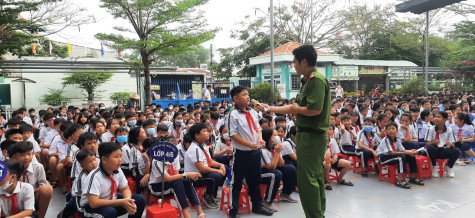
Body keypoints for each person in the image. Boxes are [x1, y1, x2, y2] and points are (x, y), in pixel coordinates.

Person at [259, 45, 332, 218]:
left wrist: (295, 109)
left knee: (307, 180)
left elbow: (314, 110)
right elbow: (297, 107)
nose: (294, 66)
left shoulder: (316, 80)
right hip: (308, 135)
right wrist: (271, 108)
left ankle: (315, 215)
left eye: (295, 62)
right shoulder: (308, 79)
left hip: (312, 135)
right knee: (314, 177)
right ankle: (318, 214)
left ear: (304, 61)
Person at [227, 86, 274, 217]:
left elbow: (258, 128)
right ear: (236, 98)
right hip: (241, 154)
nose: (248, 97)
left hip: (255, 152)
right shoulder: (233, 115)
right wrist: (250, 145)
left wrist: (259, 141)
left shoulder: (252, 112)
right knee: (236, 183)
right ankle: (233, 210)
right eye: (244, 94)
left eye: (248, 94)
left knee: (255, 181)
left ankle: (257, 206)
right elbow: (233, 135)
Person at [80, 142, 145, 218]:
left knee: (139, 199)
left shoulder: (117, 169)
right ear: (104, 159)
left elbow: (125, 188)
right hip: (91, 208)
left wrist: (127, 201)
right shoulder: (94, 176)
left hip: (111, 200)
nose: (120, 160)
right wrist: (122, 202)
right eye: (116, 157)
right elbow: (94, 203)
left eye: (121, 156)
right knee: (110, 212)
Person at [148, 136, 206, 218]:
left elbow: (176, 175)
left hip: (170, 183)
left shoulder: (175, 156)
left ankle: (200, 212)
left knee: (186, 180)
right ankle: (186, 215)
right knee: (178, 183)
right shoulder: (157, 160)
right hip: (157, 187)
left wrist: (187, 176)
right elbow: (168, 178)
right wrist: (188, 174)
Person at [9, 141, 52, 218]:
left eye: (29, 154)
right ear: (14, 157)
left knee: (47, 189)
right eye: (22, 155)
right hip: (14, 196)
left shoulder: (38, 167)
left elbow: (42, 185)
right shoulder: (10, 168)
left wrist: (30, 192)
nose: (27, 158)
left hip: (32, 195)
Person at [377, 123, 424, 189]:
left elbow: (402, 150)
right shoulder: (385, 140)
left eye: (393, 129)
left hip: (393, 156)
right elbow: (391, 153)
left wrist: (411, 152)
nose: (390, 130)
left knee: (411, 156)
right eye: (388, 129)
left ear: (397, 131)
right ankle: (400, 180)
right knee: (400, 158)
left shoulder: (397, 138)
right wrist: (406, 153)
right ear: (386, 132)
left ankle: (412, 177)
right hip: (384, 158)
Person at [425, 111, 461, 178]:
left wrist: (447, 143)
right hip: (434, 150)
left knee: (457, 151)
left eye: (438, 117)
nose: (436, 118)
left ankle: (449, 166)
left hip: (444, 149)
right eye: (435, 117)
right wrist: (433, 142)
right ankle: (434, 166)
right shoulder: (430, 129)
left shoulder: (449, 130)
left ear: (445, 119)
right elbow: (427, 143)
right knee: (430, 148)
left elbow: (452, 144)